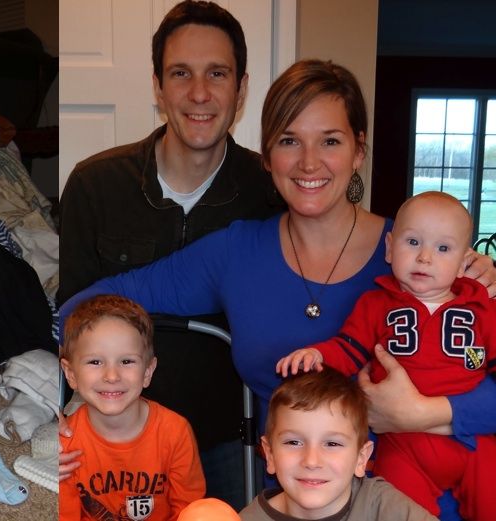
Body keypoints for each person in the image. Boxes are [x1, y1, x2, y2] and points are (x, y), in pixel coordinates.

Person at [59, 59, 496, 520]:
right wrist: (73, 403)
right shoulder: (236, 253)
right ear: (267, 156)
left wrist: (422, 414)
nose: (309, 162)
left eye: (330, 140)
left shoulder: (423, 258)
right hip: (291, 503)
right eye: (289, 141)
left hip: (419, 503)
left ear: (358, 150)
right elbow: (84, 306)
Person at [58, 1, 283, 508]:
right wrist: (53, 419)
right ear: (158, 87)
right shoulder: (96, 185)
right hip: (112, 433)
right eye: (181, 73)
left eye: (217, 74)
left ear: (241, 88)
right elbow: (69, 320)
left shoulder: (269, 191)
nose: (199, 93)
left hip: (227, 436)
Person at [277, 191, 496, 519]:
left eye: (443, 248)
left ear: (465, 261)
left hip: (474, 443)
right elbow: (347, 348)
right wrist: (315, 354)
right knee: (397, 508)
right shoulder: (376, 304)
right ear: (390, 248)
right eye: (412, 243)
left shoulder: (483, 308)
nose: (424, 258)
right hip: (402, 447)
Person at [58, 294, 206, 520]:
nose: (111, 376)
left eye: (126, 361)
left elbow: (190, 510)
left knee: (213, 513)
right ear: (71, 374)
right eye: (95, 362)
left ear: (147, 372)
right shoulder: (65, 443)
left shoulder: (175, 431)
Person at [240, 368, 437, 520]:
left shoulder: (380, 505)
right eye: (294, 442)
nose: (311, 461)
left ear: (361, 458)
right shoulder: (246, 518)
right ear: (270, 454)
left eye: (332, 444)